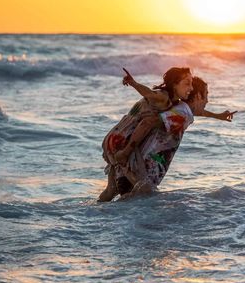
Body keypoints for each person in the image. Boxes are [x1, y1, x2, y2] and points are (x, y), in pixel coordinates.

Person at [99, 72, 235, 201]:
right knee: (136, 206)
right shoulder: (183, 114)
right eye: (206, 95)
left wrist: (218, 116)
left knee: (110, 194)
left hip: (125, 156)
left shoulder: (180, 107)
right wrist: (126, 152)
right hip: (137, 168)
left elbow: (196, 112)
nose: (207, 100)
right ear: (198, 96)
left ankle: (91, 217)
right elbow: (149, 122)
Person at [99, 67, 193, 202]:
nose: (191, 88)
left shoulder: (174, 102)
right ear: (174, 84)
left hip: (114, 137)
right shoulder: (163, 96)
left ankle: (94, 212)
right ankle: (126, 215)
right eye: (187, 83)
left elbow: (196, 110)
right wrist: (133, 83)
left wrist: (218, 115)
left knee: (111, 190)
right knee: (138, 189)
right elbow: (148, 93)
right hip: (122, 139)